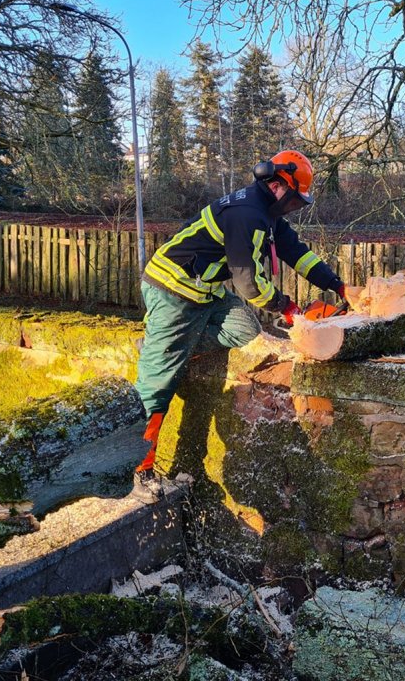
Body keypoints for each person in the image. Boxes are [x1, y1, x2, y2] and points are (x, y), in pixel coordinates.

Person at [132, 149, 346, 497]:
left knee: (245, 330)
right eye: (294, 200)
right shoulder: (247, 213)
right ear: (277, 185)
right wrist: (287, 308)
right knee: (157, 384)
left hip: (206, 292)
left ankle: (170, 345)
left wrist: (338, 285)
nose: (294, 207)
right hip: (172, 289)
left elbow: (296, 251)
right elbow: (247, 282)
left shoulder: (267, 213)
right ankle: (140, 470)